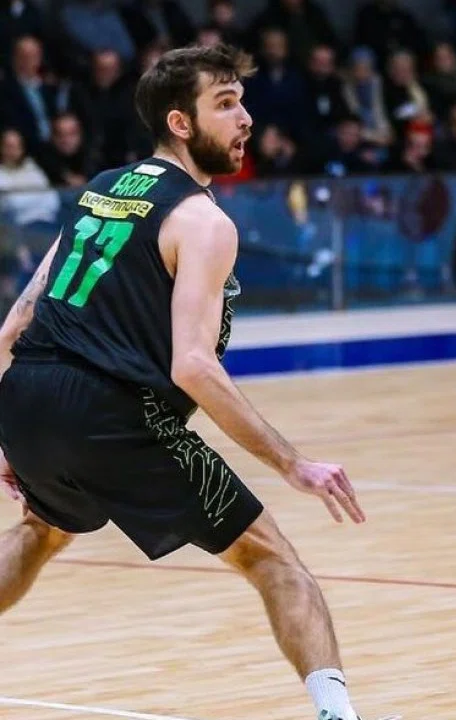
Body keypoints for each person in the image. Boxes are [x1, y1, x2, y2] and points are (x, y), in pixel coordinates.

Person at [0, 43, 386, 720]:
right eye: (226, 104)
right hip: (113, 413)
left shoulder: (99, 190)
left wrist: (12, 433)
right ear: (181, 123)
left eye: (242, 102)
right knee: (272, 559)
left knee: (43, 527)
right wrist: (293, 464)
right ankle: (338, 715)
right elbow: (194, 366)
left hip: (28, 394)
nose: (246, 119)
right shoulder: (203, 220)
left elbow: (17, 321)